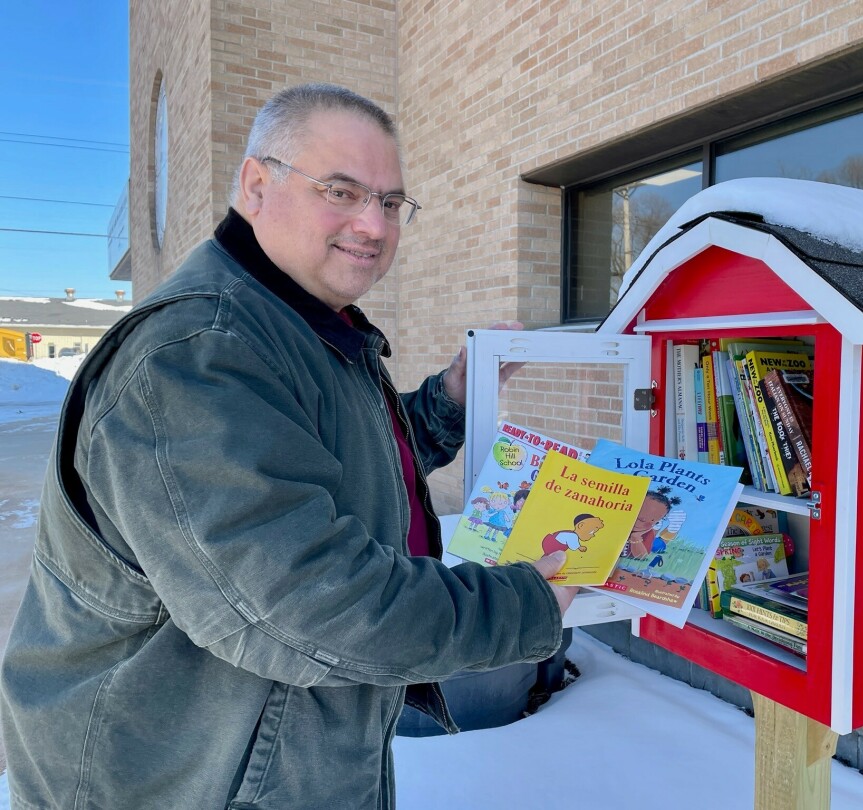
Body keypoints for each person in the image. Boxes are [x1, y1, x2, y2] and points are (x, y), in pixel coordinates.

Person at [0, 83, 576, 810]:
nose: (373, 224)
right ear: (257, 185)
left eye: (391, 203)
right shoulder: (196, 355)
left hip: (281, 760)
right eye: (341, 191)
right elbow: (306, 602)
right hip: (172, 782)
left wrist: (448, 402)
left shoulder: (300, 326)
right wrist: (526, 604)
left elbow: (335, 464)